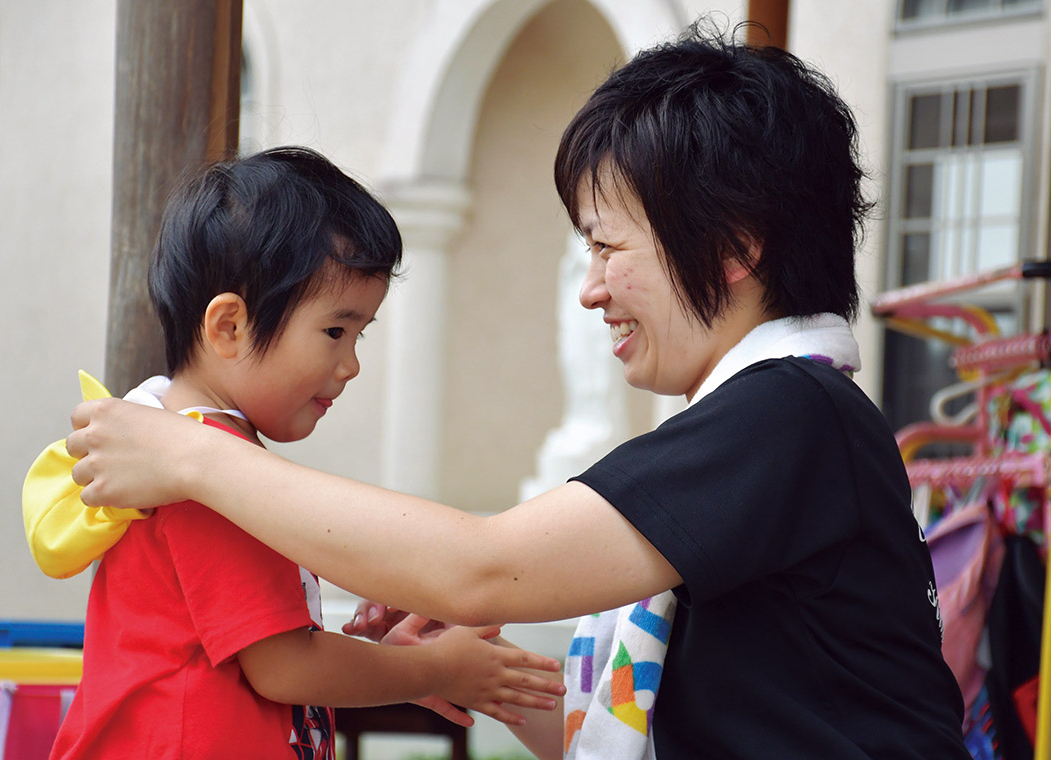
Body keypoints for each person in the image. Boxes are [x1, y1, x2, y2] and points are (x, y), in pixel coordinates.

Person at [63, 23, 971, 760]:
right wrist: (463, 672)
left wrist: (186, 453)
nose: (590, 289)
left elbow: (481, 567)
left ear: (734, 248)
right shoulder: (767, 425)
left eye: (608, 247)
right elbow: (623, 725)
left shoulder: (785, 417)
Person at [25, 147, 564, 760]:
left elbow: (261, 667)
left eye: (360, 335)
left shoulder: (185, 447)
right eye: (336, 331)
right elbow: (283, 668)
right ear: (229, 326)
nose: (352, 364)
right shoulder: (202, 472)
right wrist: (439, 670)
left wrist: (381, 661)